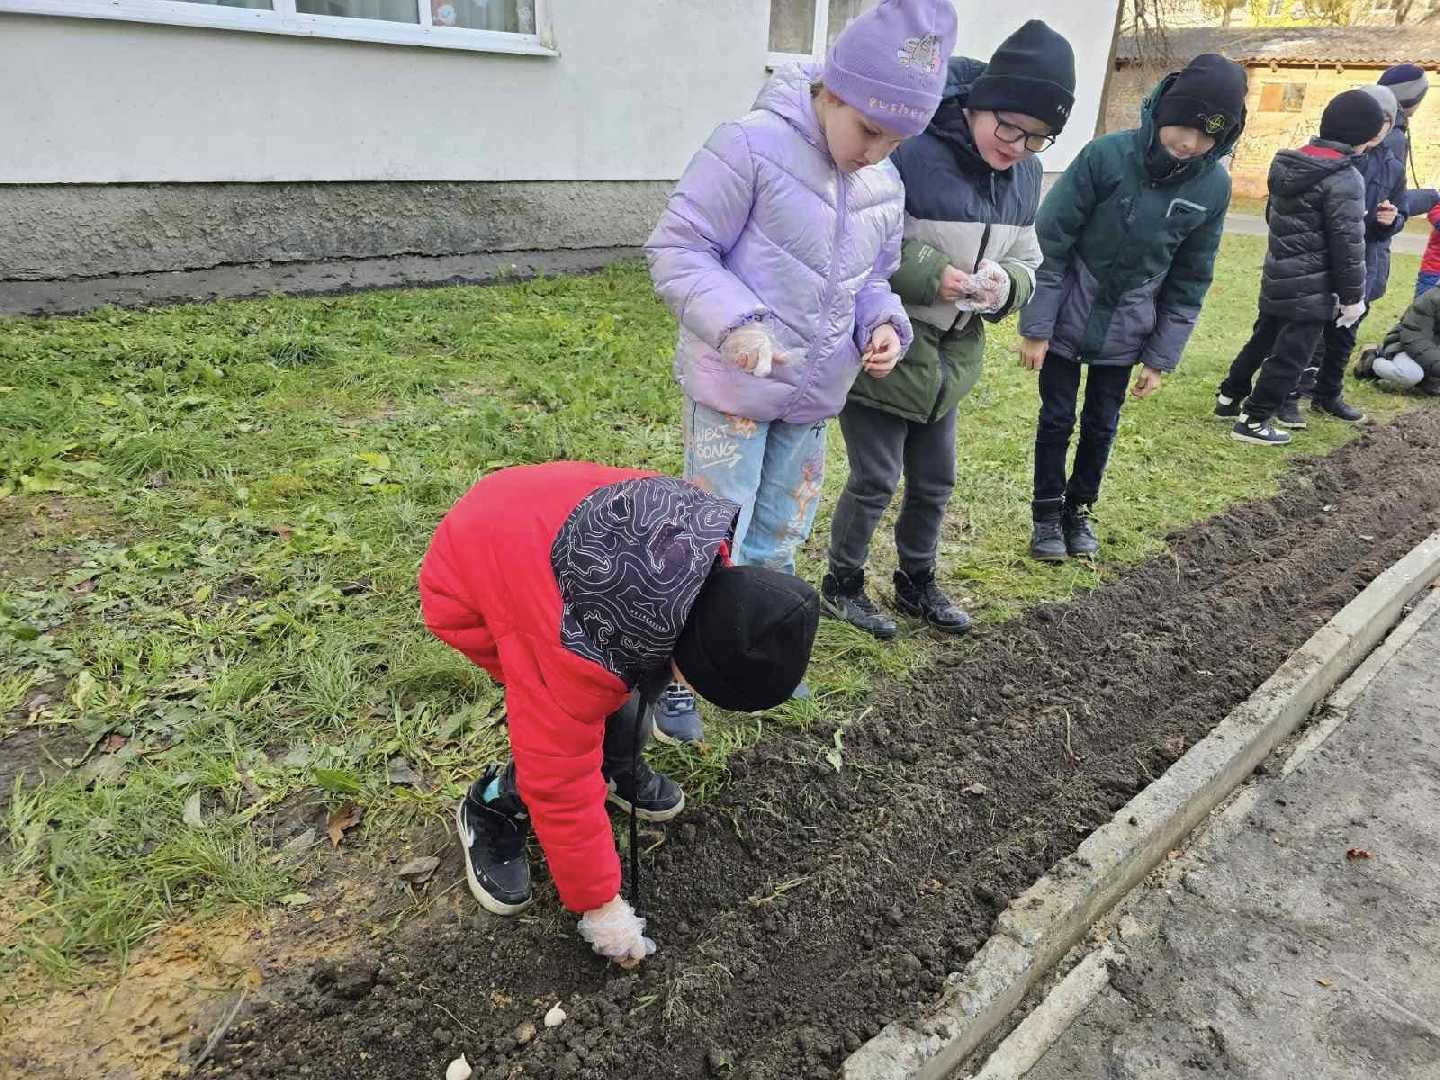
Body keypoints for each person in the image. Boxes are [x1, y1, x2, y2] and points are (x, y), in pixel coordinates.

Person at [643, 0, 956, 739]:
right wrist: (738, 324)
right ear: (833, 90)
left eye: (897, 140)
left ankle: (755, 653)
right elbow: (679, 248)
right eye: (869, 130)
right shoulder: (749, 148)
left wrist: (885, 325)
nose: (877, 151)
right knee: (714, 529)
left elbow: (874, 279)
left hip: (813, 400)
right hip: (735, 390)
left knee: (781, 531)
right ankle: (677, 674)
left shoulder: (883, 185)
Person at [419, 463, 819, 965]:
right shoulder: (573, 649)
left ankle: (614, 765)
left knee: (618, 687)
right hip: (472, 575)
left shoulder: (701, 563)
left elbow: (650, 658)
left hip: (539, 522)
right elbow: (558, 778)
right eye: (695, 683)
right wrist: (601, 907)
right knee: (569, 722)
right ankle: (493, 805)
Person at [822, 20, 1075, 638]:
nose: (1018, 146)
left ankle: (916, 580)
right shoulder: (910, 148)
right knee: (876, 478)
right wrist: (932, 275)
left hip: (950, 358)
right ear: (979, 104)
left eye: (1037, 138)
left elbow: (1030, 260)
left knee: (935, 481)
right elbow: (863, 241)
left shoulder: (1024, 176)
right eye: (1009, 127)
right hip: (886, 345)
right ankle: (842, 583)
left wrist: (1005, 286)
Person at [1017, 53, 1247, 561]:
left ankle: (1079, 510)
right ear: (1165, 111)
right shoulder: (1105, 157)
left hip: (1127, 330)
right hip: (1066, 317)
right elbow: (1050, 244)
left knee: (1102, 424)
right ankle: (1046, 514)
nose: (1190, 143)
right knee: (1056, 419)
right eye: (1184, 126)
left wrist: (1160, 358)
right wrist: (1037, 326)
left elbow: (1190, 278)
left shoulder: (1213, 188)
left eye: (1207, 136)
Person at [1216, 89, 1386, 447]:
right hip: (1313, 288)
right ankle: (1255, 419)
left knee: (1261, 340)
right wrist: (1353, 298)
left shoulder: (1290, 163)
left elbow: (1272, 216)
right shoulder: (1345, 178)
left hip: (1278, 274)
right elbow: (1348, 246)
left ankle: (1229, 397)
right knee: (1291, 356)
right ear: (1364, 137)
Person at [1281, 84, 1400, 428]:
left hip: (1364, 261)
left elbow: (1400, 207)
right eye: (1375, 119)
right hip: (1322, 261)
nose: (1378, 129)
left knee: (1344, 335)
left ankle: (1328, 394)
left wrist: (1390, 220)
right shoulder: (1331, 160)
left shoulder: (1391, 165)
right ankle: (1288, 394)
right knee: (1306, 333)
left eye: (1386, 121)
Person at [1354, 289, 1440, 396]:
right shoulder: (1431, 300)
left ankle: (1429, 378)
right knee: (1411, 375)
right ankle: (1373, 359)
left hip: (1432, 352)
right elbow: (1415, 338)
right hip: (1406, 345)